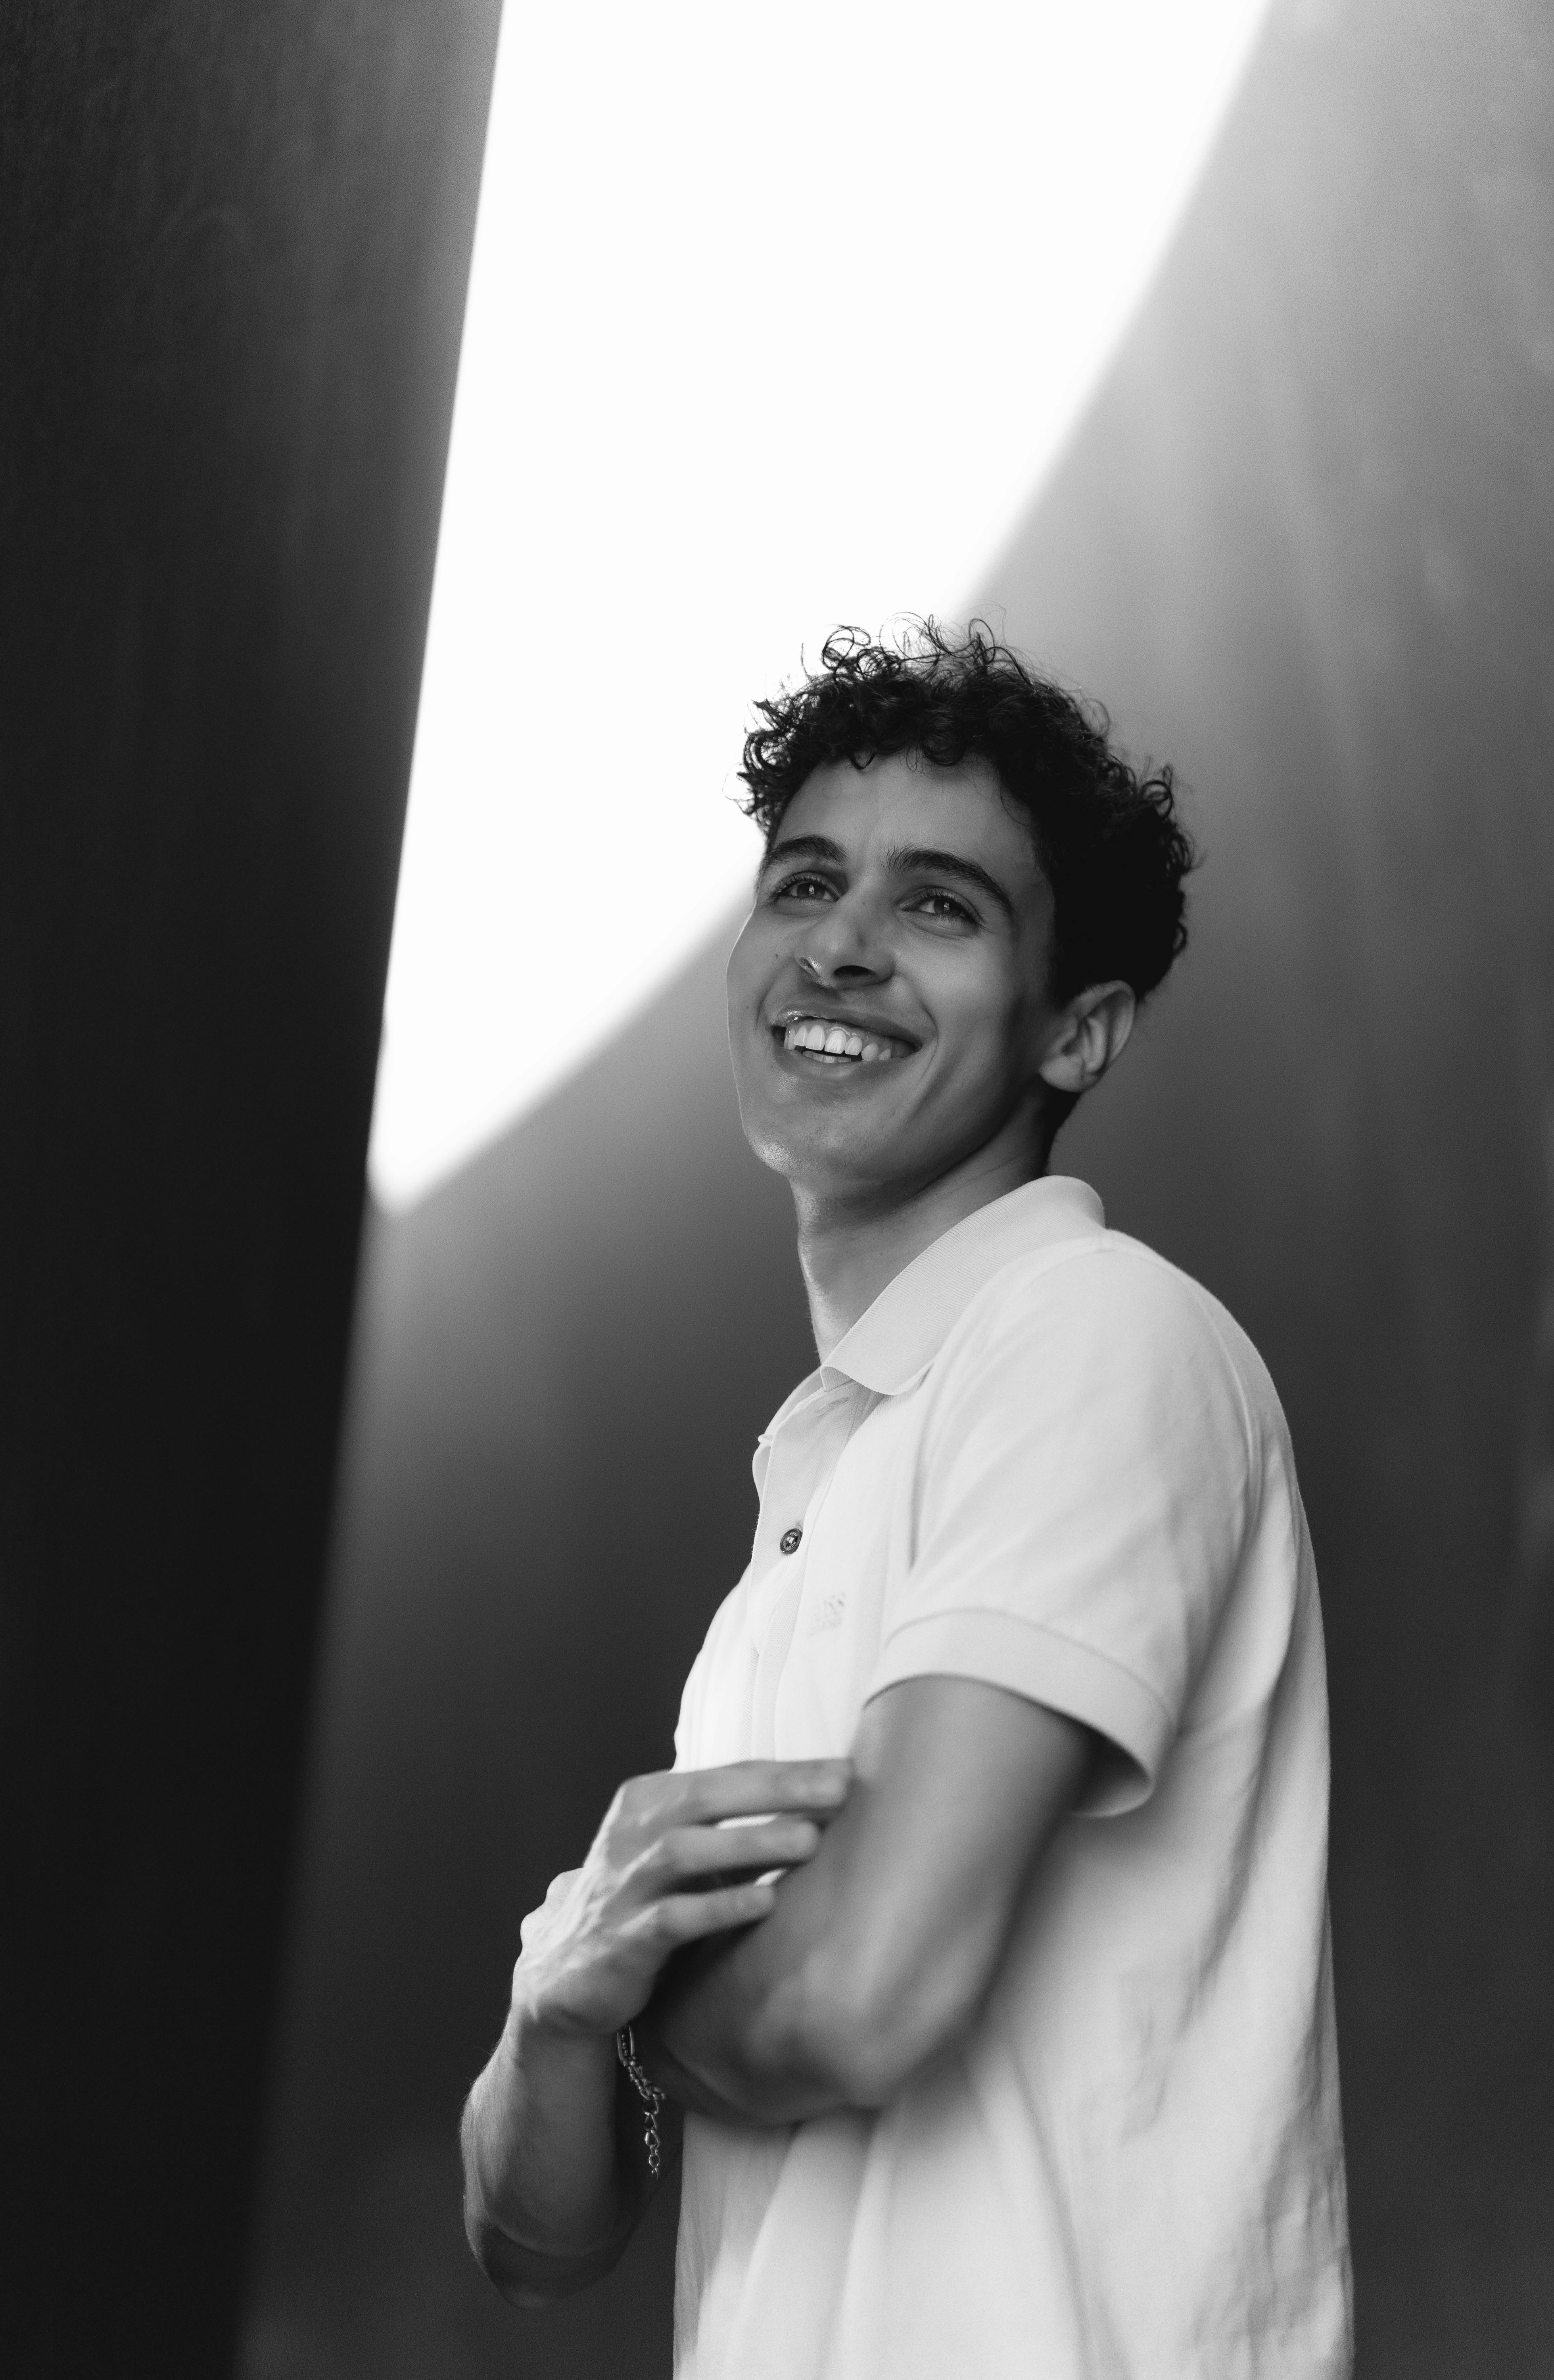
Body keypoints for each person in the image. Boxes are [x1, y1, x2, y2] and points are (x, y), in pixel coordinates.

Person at [460, 621, 1353, 2378]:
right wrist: (553, 2007)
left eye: (940, 907)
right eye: (805, 882)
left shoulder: (1091, 1333)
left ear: (1077, 1032)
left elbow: (865, 1993)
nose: (844, 946)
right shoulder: (795, 1536)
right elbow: (536, 2243)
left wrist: (625, 2007)